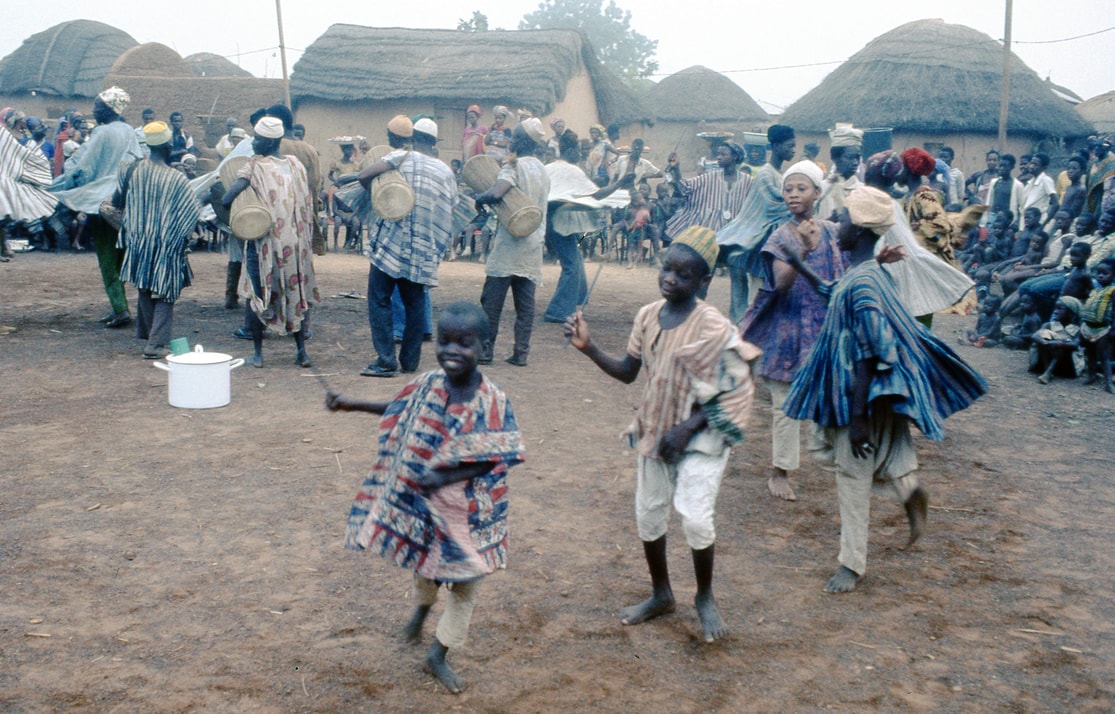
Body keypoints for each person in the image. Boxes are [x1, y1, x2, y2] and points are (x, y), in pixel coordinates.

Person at [781, 185, 987, 593]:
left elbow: (869, 349)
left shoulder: (866, 284)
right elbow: (833, 291)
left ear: (856, 231)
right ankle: (910, 491)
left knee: (850, 473)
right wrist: (798, 263)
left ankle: (851, 564)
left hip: (856, 393)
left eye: (841, 218)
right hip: (872, 391)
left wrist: (857, 416)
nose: (834, 224)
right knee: (874, 448)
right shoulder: (869, 272)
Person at [563, 226, 757, 642]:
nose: (670, 278)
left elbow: (736, 381)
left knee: (695, 518)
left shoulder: (713, 325)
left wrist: (688, 427)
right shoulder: (648, 315)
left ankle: (704, 597)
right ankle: (661, 593)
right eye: (667, 269)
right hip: (655, 430)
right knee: (649, 514)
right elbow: (628, 372)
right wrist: (589, 346)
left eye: (683, 275)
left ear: (704, 282)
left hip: (702, 437)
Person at [331, 301, 525, 694]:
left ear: (484, 347)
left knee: (466, 586)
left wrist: (446, 474)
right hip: (428, 508)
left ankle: (438, 654)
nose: (453, 350)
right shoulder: (428, 382)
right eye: (445, 341)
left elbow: (497, 456)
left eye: (464, 343)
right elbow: (399, 407)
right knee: (426, 567)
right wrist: (352, 404)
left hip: (472, 516)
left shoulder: (492, 400)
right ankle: (421, 612)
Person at [740, 160, 844, 502]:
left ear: (817, 192)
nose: (794, 195)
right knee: (784, 405)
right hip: (787, 327)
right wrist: (803, 249)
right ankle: (780, 471)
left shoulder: (830, 230)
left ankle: (834, 460)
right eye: (788, 189)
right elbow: (782, 284)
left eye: (801, 188)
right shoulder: (781, 235)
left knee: (826, 397)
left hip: (821, 328)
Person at [357, 115, 457, 377]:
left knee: (380, 300)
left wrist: (376, 194)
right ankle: (410, 362)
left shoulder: (399, 158)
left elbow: (365, 175)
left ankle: (386, 361)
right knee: (415, 305)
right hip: (422, 247)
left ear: (412, 137)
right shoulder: (445, 172)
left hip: (390, 243)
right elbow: (449, 211)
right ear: (435, 142)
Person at [220, 116, 319, 368]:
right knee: (296, 291)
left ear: (268, 141)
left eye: (257, 139)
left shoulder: (254, 167)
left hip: (266, 243)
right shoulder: (295, 165)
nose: (253, 142)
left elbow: (227, 198)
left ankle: (258, 353)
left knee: (257, 293)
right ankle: (301, 351)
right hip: (295, 244)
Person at [51, 87, 144, 328]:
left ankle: (121, 309)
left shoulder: (102, 133)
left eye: (97, 106)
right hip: (126, 200)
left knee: (106, 257)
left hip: (100, 202)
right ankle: (120, 305)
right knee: (121, 255)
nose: (94, 110)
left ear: (108, 109)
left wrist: (60, 185)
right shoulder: (129, 132)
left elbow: (85, 168)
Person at [109, 121, 201, 358]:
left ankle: (149, 335)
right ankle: (155, 345)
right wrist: (184, 241)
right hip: (166, 243)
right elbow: (192, 214)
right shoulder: (177, 179)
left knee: (145, 287)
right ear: (169, 145)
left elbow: (117, 202)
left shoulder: (131, 170)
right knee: (165, 292)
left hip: (138, 240)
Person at [474, 119, 550, 367]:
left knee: (492, 302)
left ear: (523, 142)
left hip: (509, 245)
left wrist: (480, 198)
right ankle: (521, 353)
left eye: (515, 137)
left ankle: (485, 352)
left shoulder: (514, 166)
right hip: (533, 244)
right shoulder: (542, 169)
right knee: (525, 306)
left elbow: (497, 192)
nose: (511, 140)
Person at [715, 124, 797, 322]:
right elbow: (774, 206)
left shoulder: (781, 175)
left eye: (795, 146)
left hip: (770, 245)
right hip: (754, 244)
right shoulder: (765, 175)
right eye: (789, 146)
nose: (793, 150)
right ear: (776, 146)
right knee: (754, 296)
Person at [542, 130, 621, 323]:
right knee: (571, 264)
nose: (579, 154)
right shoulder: (572, 170)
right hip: (560, 222)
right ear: (569, 150)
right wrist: (619, 184)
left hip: (548, 219)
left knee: (575, 259)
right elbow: (596, 195)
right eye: (577, 150)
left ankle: (577, 297)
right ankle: (558, 310)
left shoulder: (549, 168)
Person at [1, 109, 58, 260]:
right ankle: (5, 248)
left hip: (20, 181)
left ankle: (8, 247)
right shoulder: (5, 136)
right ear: (16, 120)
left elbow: (31, 158)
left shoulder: (26, 140)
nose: (24, 122)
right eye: (22, 119)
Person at [1080, 257, 1115, 391]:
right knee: (1090, 353)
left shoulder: (1112, 291)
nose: (1100, 276)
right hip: (1089, 326)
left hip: (1103, 328)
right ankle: (1091, 375)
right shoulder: (1095, 289)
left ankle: (1108, 383)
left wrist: (1113, 328)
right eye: (1098, 273)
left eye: (1105, 273)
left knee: (1104, 355)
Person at [1031, 296, 1084, 385]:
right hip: (1044, 362)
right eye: (1055, 308)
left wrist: (1057, 343)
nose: (1055, 311)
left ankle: (1048, 372)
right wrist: (1046, 343)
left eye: (1060, 309)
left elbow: (1075, 345)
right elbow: (1035, 336)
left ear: (1071, 313)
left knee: (1062, 344)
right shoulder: (1048, 325)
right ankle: (1047, 370)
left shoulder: (1078, 330)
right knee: (1043, 335)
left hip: (1068, 366)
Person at [817, 126, 863, 221]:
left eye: (857, 157)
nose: (855, 162)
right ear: (835, 158)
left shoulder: (863, 191)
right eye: (850, 157)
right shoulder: (821, 190)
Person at [984, 154, 1023, 228]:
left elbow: (1021, 207)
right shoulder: (994, 182)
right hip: (993, 216)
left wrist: (1018, 223)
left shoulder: (1017, 185)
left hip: (1007, 219)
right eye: (1000, 165)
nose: (1001, 168)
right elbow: (989, 202)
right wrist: (986, 219)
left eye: (1005, 166)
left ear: (1012, 167)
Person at [1022, 153, 1059, 225]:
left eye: (1035, 164)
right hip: (1028, 220)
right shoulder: (1031, 182)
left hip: (1039, 221)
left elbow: (1055, 203)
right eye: (1031, 163)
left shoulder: (1045, 180)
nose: (1031, 166)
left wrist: (1045, 222)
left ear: (1044, 167)